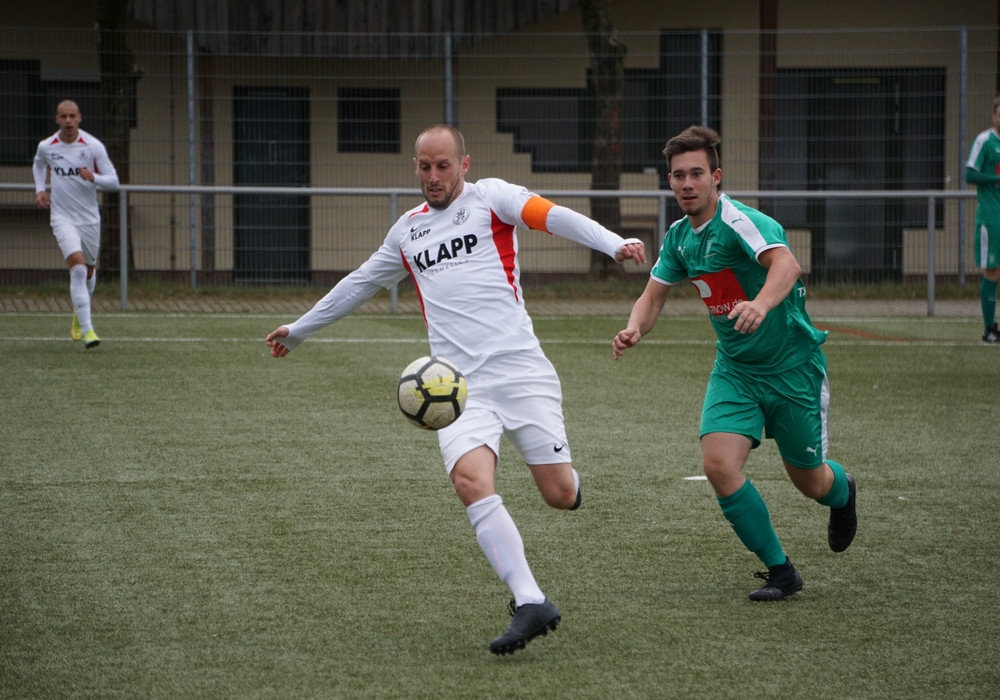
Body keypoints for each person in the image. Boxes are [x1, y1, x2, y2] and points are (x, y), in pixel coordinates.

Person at [266, 124, 646, 653]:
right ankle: (530, 599)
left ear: (463, 165)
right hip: (455, 386)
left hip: (520, 370)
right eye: (424, 166)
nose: (433, 176)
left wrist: (614, 243)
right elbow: (359, 283)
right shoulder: (407, 231)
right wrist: (300, 329)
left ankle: (570, 487)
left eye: (443, 165)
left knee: (559, 495)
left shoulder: (492, 198)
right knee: (471, 481)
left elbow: (551, 216)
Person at [611, 125, 856, 601]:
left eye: (696, 174)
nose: (686, 183)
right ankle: (781, 570)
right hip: (737, 371)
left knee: (811, 482)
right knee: (719, 465)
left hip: (792, 369)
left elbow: (787, 266)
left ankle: (842, 488)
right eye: (678, 175)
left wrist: (760, 304)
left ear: (716, 176)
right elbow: (653, 294)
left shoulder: (742, 222)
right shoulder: (680, 238)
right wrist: (635, 327)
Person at [33, 99, 120, 349]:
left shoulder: (93, 146)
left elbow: (114, 182)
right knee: (79, 270)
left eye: (72, 116)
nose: (68, 121)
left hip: (89, 219)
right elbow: (38, 164)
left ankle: (78, 313)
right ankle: (88, 330)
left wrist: (95, 178)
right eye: (63, 116)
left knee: (90, 271)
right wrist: (40, 190)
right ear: (57, 119)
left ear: (79, 118)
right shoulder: (47, 147)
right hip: (62, 217)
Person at [965, 95, 1000, 344]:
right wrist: (994, 179)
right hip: (991, 217)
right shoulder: (984, 141)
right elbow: (970, 173)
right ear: (994, 115)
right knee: (992, 271)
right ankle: (989, 329)